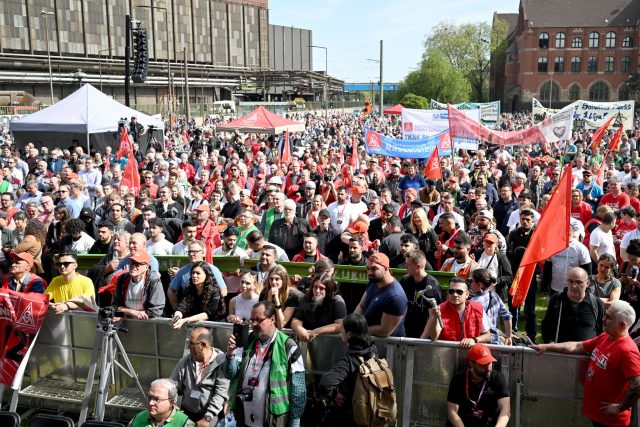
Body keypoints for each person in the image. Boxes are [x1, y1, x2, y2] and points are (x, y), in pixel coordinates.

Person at [532, 300, 640, 427]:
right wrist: (547, 347)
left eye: (609, 317)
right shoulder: (605, 337)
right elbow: (578, 345)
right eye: (605, 315)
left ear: (622, 324)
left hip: (611, 421)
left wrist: (620, 408)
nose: (603, 319)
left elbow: (638, 384)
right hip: (598, 414)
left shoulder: (627, 351)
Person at [223, 301, 306, 427]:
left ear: (272, 319)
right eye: (252, 320)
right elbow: (230, 374)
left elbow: (298, 389)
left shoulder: (289, 346)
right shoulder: (248, 340)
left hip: (273, 420)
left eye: (258, 320)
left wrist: (295, 422)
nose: (254, 324)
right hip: (244, 418)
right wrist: (230, 355)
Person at [318, 313, 378, 427]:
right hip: (370, 411)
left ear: (349, 334)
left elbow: (325, 383)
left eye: (342, 330)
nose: (341, 331)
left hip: (350, 414)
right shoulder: (373, 350)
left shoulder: (350, 360)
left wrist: (335, 393)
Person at [170, 327, 230, 426]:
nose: (188, 346)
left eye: (191, 343)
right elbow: (172, 385)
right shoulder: (185, 361)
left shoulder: (221, 362)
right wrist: (173, 404)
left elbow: (220, 393)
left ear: (203, 345)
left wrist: (207, 418)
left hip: (212, 415)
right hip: (187, 412)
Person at [446, 344, 510, 427]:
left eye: (489, 363)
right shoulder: (458, 379)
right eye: (483, 365)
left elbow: (505, 410)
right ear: (472, 364)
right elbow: (452, 412)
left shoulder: (497, 377)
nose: (488, 368)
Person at [541, 267, 605, 343]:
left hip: (587, 353)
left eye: (578, 282)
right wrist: (550, 343)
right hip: (559, 352)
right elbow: (546, 326)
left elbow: (603, 330)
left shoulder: (596, 303)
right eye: (570, 281)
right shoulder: (557, 299)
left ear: (587, 283)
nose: (574, 286)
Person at [422, 277, 491, 348]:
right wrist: (435, 318)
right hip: (446, 353)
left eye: (459, 292)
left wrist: (473, 340)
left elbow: (488, 336)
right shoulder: (440, 309)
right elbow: (434, 337)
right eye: (451, 291)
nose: (455, 295)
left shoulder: (477, 308)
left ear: (467, 294)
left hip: (471, 353)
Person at [354, 253, 408, 337]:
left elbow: (384, 331)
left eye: (374, 269)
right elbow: (361, 305)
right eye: (368, 268)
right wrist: (353, 323)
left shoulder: (395, 297)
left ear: (386, 269)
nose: (369, 272)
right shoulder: (374, 281)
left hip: (388, 347)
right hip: (367, 341)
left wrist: (358, 331)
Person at [291, 273, 347, 341]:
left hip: (329, 344)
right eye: (315, 287)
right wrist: (299, 328)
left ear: (328, 289)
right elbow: (296, 320)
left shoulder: (336, 301)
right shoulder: (306, 298)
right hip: (308, 342)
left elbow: (340, 325)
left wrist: (315, 332)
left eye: (321, 288)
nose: (317, 291)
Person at [400, 250, 442, 338]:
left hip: (423, 332)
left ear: (418, 266)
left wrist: (421, 340)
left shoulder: (431, 285)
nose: (405, 266)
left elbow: (432, 316)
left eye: (408, 264)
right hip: (406, 331)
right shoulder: (405, 280)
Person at [112, 251, 165, 320]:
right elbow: (114, 307)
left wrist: (128, 314)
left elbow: (156, 311)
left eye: (137, 264)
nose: (133, 266)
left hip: (148, 323)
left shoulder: (154, 281)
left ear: (146, 267)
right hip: (126, 324)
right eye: (132, 263)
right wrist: (131, 312)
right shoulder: (122, 279)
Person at [172, 261, 225, 329]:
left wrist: (186, 320)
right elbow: (182, 307)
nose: (194, 276)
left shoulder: (215, 291)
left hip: (214, 326)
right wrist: (177, 317)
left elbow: (209, 314)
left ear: (206, 275)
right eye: (193, 273)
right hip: (196, 326)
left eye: (198, 273)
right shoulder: (189, 289)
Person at [468, 269, 513, 345]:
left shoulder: (473, 302)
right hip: (495, 341)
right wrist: (508, 337)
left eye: (471, 281)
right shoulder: (494, 296)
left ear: (480, 284)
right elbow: (507, 316)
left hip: (480, 342)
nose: (470, 284)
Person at [128, 378, 195, 427]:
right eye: (149, 397)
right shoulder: (138, 418)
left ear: (171, 402)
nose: (151, 403)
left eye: (157, 399)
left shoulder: (185, 423)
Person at [259, 264, 302, 329]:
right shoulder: (264, 294)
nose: (273, 282)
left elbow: (281, 325)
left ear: (283, 280)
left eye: (277, 279)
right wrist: (269, 301)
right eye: (271, 279)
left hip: (286, 333)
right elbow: (262, 319)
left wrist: (277, 301)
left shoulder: (293, 296)